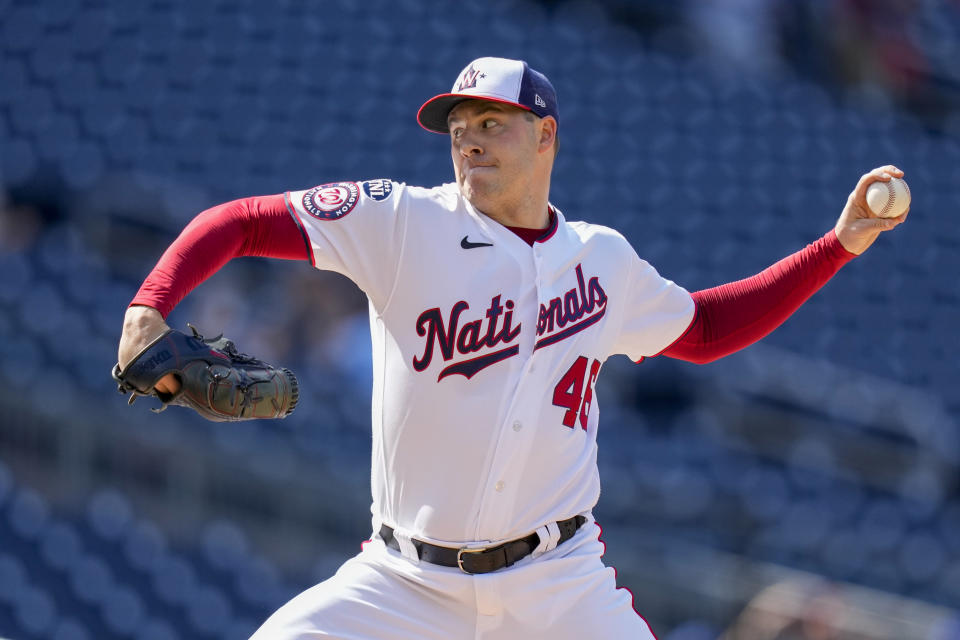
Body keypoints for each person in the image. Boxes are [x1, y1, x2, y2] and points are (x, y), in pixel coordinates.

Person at [117, 57, 908, 639]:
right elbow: (241, 220)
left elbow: (703, 331)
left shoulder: (604, 259)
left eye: (492, 124)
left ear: (545, 135)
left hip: (559, 586)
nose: (470, 143)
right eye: (459, 131)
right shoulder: (403, 222)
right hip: (402, 583)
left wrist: (836, 246)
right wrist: (149, 306)